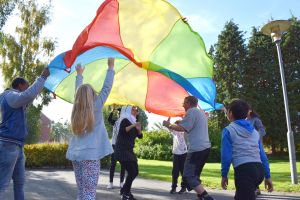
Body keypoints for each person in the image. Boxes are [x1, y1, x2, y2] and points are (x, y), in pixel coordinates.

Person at [66, 58, 115, 200]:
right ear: (92, 96)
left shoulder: (76, 111)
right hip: (90, 157)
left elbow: (78, 92)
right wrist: (110, 67)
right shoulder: (97, 107)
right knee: (88, 193)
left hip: (76, 156)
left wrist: (79, 75)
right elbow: (107, 88)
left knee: (82, 191)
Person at [0, 68, 50, 200]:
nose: (28, 87)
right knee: (2, 184)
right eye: (27, 84)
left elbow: (30, 95)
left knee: (19, 183)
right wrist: (42, 77)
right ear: (20, 85)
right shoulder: (10, 95)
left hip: (17, 147)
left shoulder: (17, 100)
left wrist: (49, 92)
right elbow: (28, 95)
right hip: (8, 144)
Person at [163, 96, 214, 200]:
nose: (183, 105)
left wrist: (169, 125)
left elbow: (182, 128)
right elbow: (188, 127)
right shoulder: (200, 113)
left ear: (189, 103)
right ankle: (201, 196)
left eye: (184, 103)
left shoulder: (191, 112)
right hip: (205, 148)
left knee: (188, 176)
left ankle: (206, 197)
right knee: (195, 176)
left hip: (196, 149)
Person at [221, 99, 273, 200]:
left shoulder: (228, 130)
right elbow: (263, 156)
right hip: (259, 170)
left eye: (227, 111)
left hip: (244, 171)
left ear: (230, 113)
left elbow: (226, 156)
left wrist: (224, 175)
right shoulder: (254, 132)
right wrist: (268, 176)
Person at [114, 106, 143, 200]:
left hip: (129, 150)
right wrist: (134, 126)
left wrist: (138, 129)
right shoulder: (125, 120)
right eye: (134, 108)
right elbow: (123, 130)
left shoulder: (135, 122)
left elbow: (140, 136)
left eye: (136, 110)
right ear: (130, 110)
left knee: (135, 171)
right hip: (121, 149)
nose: (135, 110)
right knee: (132, 171)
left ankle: (124, 190)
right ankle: (126, 194)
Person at [247, 108, 266, 196]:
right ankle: (256, 188)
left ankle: (256, 188)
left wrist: (255, 136)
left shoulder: (256, 120)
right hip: (247, 147)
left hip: (257, 146)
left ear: (250, 111)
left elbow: (262, 131)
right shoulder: (244, 121)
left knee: (257, 167)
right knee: (251, 168)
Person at [167, 118, 187, 195]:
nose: (178, 125)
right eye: (177, 123)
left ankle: (183, 187)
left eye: (180, 123)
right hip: (176, 153)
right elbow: (168, 126)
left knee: (183, 171)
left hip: (184, 153)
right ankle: (173, 187)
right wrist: (169, 118)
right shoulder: (174, 131)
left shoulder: (185, 131)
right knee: (175, 172)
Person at [107, 107, 126, 189]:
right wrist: (112, 111)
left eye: (120, 112)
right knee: (113, 164)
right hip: (114, 145)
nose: (119, 114)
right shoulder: (115, 122)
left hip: (122, 146)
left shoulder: (125, 122)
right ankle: (110, 183)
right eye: (118, 113)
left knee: (123, 165)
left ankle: (121, 183)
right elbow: (109, 119)